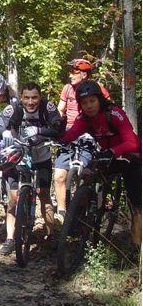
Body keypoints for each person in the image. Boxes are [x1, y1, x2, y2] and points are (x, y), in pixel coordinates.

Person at [61, 81, 141, 250]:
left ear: (99, 100)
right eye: (84, 103)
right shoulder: (84, 119)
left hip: (129, 157)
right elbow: (70, 135)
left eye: (92, 101)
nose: (89, 106)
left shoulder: (114, 113)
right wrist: (57, 132)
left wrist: (113, 150)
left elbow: (132, 142)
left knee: (136, 202)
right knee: (87, 175)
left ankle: (136, 246)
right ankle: (82, 218)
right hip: (108, 156)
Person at [0, 82, 62, 254]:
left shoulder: (47, 107)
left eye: (34, 97)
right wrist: (4, 132)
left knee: (44, 195)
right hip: (18, 157)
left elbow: (58, 126)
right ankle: (9, 238)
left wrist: (39, 131)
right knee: (13, 199)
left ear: (40, 97)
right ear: (21, 98)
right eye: (27, 98)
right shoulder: (14, 108)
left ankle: (51, 234)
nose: (30, 102)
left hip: (41, 155)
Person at [54, 58, 111, 222]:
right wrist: (56, 126)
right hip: (69, 132)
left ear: (84, 75)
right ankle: (62, 213)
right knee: (59, 175)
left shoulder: (97, 89)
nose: (70, 75)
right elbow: (60, 109)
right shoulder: (67, 89)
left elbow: (107, 108)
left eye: (74, 72)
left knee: (84, 175)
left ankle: (82, 211)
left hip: (89, 133)